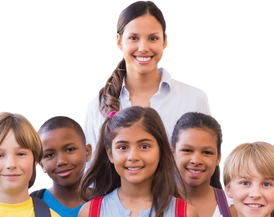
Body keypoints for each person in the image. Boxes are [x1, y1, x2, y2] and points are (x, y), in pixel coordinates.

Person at [82, 0, 213, 162]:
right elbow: (90, 173)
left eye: (153, 38)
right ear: (118, 42)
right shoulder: (96, 104)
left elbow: (208, 160)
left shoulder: (194, 98)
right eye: (134, 38)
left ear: (166, 41)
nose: (143, 47)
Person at [171, 112, 236, 217]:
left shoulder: (233, 207)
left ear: (218, 158)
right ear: (172, 154)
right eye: (187, 150)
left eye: (207, 152)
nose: (196, 160)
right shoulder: (156, 205)